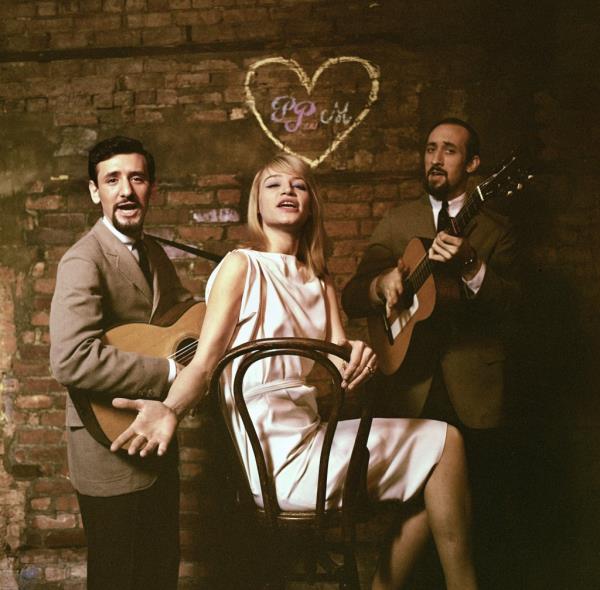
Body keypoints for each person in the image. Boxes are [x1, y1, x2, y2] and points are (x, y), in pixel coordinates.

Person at [111, 153, 478, 589]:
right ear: (258, 206)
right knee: (444, 447)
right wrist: (170, 409)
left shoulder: (320, 280)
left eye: (299, 185)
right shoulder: (241, 266)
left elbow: (341, 353)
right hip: (275, 460)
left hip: (314, 435)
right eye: (274, 185)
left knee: (439, 455)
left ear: (311, 204)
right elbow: (206, 362)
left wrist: (357, 354)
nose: (288, 191)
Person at [341, 118, 521, 585]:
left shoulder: (497, 229)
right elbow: (352, 295)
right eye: (429, 149)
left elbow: (517, 305)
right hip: (408, 385)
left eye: (450, 151)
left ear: (475, 164)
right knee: (412, 505)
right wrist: (382, 283)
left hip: (473, 390)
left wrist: (471, 264)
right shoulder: (398, 221)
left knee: (475, 515)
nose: (435, 159)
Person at [49, 136, 191, 590]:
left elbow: (179, 317)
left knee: (159, 568)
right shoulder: (82, 260)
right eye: (112, 179)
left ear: (151, 188)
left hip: (156, 437)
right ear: (95, 192)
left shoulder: (153, 253)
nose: (126, 190)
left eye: (137, 178)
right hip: (105, 439)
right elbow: (71, 358)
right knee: (117, 575)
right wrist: (169, 373)